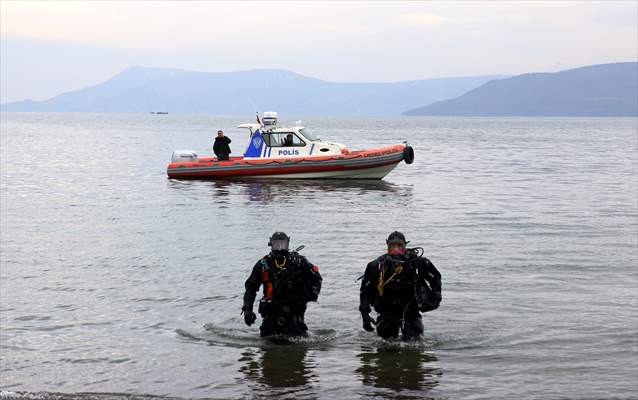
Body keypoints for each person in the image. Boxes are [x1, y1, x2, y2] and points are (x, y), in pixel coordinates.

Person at [359, 231, 441, 340]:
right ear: (387, 247)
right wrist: (365, 316)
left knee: (415, 342)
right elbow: (365, 291)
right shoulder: (376, 265)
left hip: (411, 310)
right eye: (392, 246)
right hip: (387, 311)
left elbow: (435, 279)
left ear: (405, 246)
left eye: (400, 246)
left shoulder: (418, 262)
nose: (396, 249)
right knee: (387, 344)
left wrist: (435, 298)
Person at [242, 232, 322, 337]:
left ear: (287, 244)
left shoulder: (298, 262)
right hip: (270, 316)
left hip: (294, 316)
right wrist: (247, 310)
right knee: (268, 342)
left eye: (282, 244)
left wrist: (311, 295)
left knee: (298, 345)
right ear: (271, 245)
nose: (280, 248)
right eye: (276, 244)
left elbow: (316, 278)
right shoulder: (263, 264)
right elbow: (251, 288)